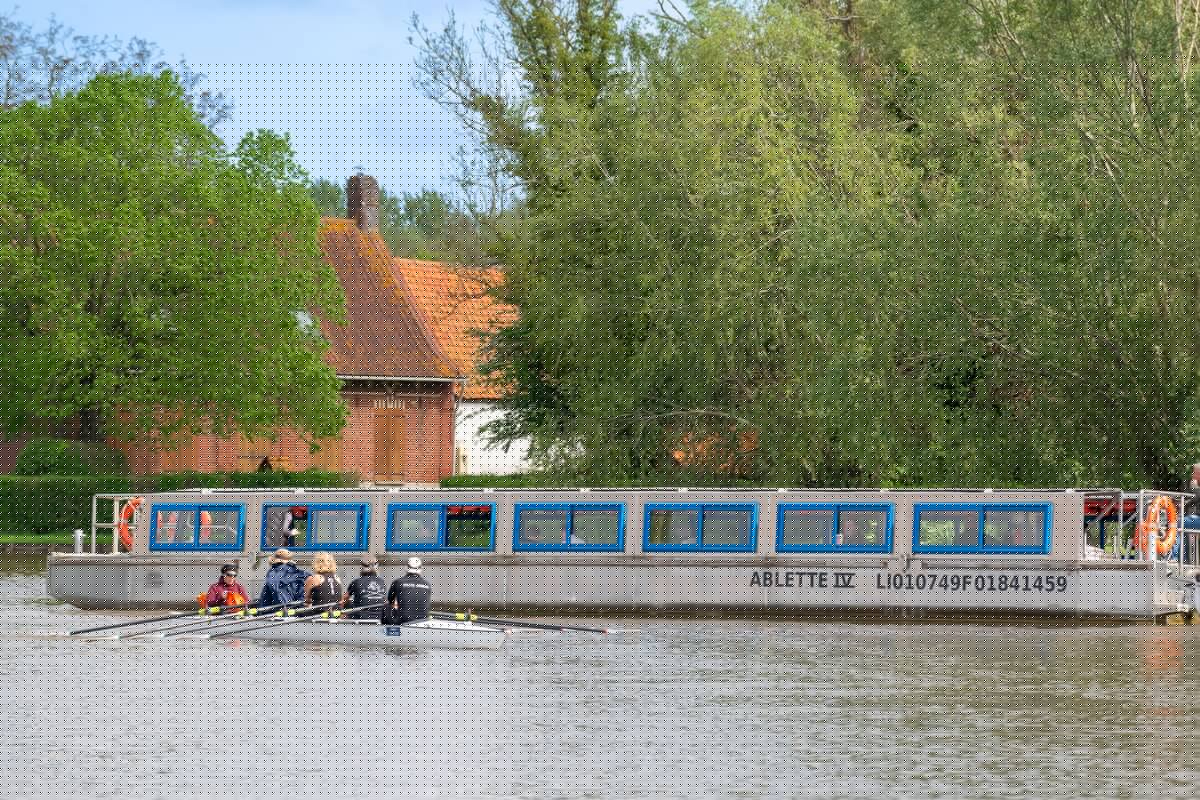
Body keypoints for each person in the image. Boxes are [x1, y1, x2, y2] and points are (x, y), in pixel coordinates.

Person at [387, 557, 431, 624]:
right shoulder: (427, 584)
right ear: (421, 569)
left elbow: (390, 601)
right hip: (424, 621)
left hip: (404, 621)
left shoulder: (397, 582)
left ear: (406, 568)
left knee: (386, 608)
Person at [344, 555, 387, 620]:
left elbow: (344, 600)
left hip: (361, 618)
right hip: (380, 618)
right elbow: (385, 601)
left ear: (362, 567)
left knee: (348, 604)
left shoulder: (356, 582)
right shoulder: (382, 582)